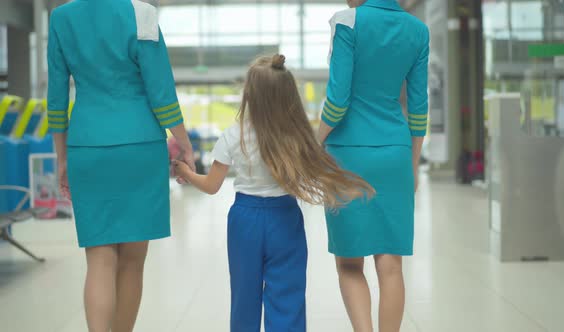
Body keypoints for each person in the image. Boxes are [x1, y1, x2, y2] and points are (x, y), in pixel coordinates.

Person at [173, 54, 374, 332]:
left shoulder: (234, 135)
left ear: (249, 94)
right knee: (287, 298)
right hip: (285, 219)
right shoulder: (294, 137)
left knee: (244, 298)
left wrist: (184, 172)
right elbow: (311, 173)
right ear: (286, 95)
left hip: (244, 221)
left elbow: (211, 186)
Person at [46, 0, 194, 331]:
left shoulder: (61, 17)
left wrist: (62, 158)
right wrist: (184, 144)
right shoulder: (141, 13)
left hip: (87, 145)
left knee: (98, 259)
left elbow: (56, 96)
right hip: (139, 146)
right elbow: (161, 91)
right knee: (132, 261)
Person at [316, 0, 430, 331]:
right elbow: (419, 109)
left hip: (347, 155)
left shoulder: (348, 22)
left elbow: (337, 102)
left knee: (350, 263)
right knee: (391, 264)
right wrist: (411, 163)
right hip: (395, 151)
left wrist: (314, 142)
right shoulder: (417, 30)